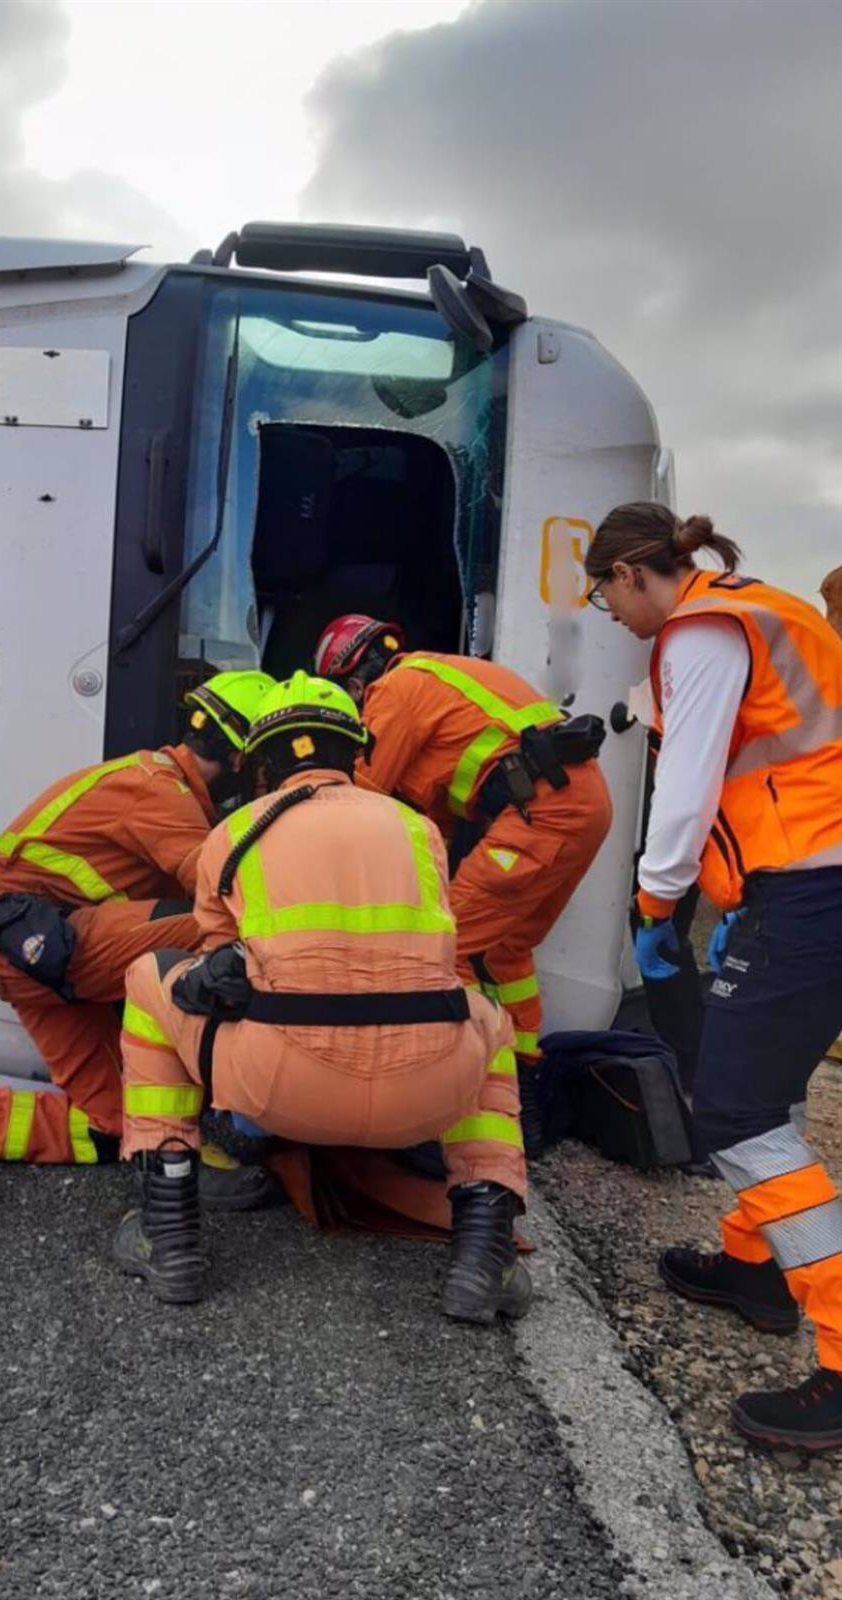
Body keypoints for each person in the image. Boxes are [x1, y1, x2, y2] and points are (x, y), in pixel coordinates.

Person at [111, 671, 526, 1323]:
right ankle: (485, 1250)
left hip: (281, 1088)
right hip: (426, 1094)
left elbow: (220, 970)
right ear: (353, 753)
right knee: (492, 1024)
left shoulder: (237, 832)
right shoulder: (420, 831)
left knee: (148, 978)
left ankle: (166, 1235)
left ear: (265, 760)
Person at [585, 502, 842, 1453]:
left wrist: (657, 904)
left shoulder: (702, 633)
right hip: (812, 884)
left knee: (733, 1111)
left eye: (601, 589)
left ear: (630, 573)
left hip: (813, 893)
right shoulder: (766, 610)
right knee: (762, 1092)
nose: (605, 611)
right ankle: (755, 1268)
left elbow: (686, 788)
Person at [0, 671, 280, 1206]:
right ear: (240, 759)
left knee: (117, 1123)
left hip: (30, 949)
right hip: (40, 942)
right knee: (213, 928)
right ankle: (189, 1149)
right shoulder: (163, 795)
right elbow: (229, 890)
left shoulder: (152, 778)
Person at [312, 615, 612, 1159]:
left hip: (542, 814)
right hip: (580, 804)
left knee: (446, 949)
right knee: (504, 952)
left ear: (353, 681)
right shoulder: (440, 677)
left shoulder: (396, 691)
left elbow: (361, 794)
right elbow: (429, 819)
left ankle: (469, 1109)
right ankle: (525, 1103)